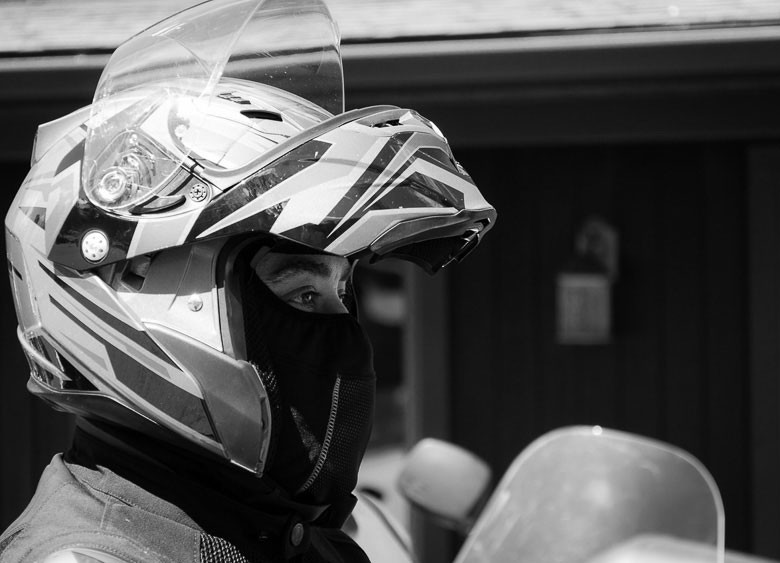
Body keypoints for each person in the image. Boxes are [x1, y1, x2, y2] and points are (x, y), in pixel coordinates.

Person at [0, 0, 496, 561]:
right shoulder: (94, 556)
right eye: (303, 293)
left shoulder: (281, 535)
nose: (344, 332)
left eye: (342, 292)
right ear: (135, 284)